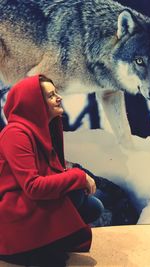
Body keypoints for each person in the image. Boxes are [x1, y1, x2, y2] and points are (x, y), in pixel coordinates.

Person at [0, 75, 104, 267]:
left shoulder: (42, 130)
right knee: (75, 195)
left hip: (30, 206)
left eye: (56, 93)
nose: (59, 98)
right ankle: (27, 250)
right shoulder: (15, 134)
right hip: (14, 211)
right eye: (51, 95)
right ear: (33, 103)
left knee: (91, 205)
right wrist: (78, 176)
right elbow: (33, 187)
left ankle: (43, 246)